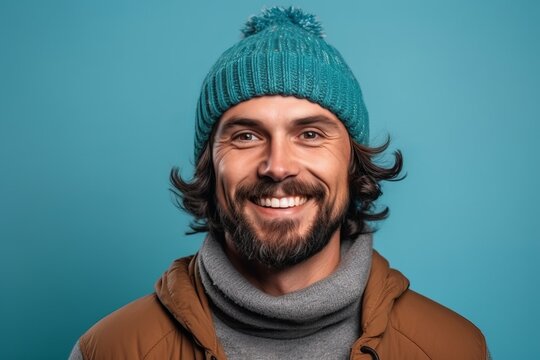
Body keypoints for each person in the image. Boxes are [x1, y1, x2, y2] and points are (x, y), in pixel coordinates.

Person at [69, 7, 489, 360]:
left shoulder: (452, 348)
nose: (277, 166)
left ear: (353, 164)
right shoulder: (111, 349)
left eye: (309, 134)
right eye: (246, 136)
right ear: (210, 165)